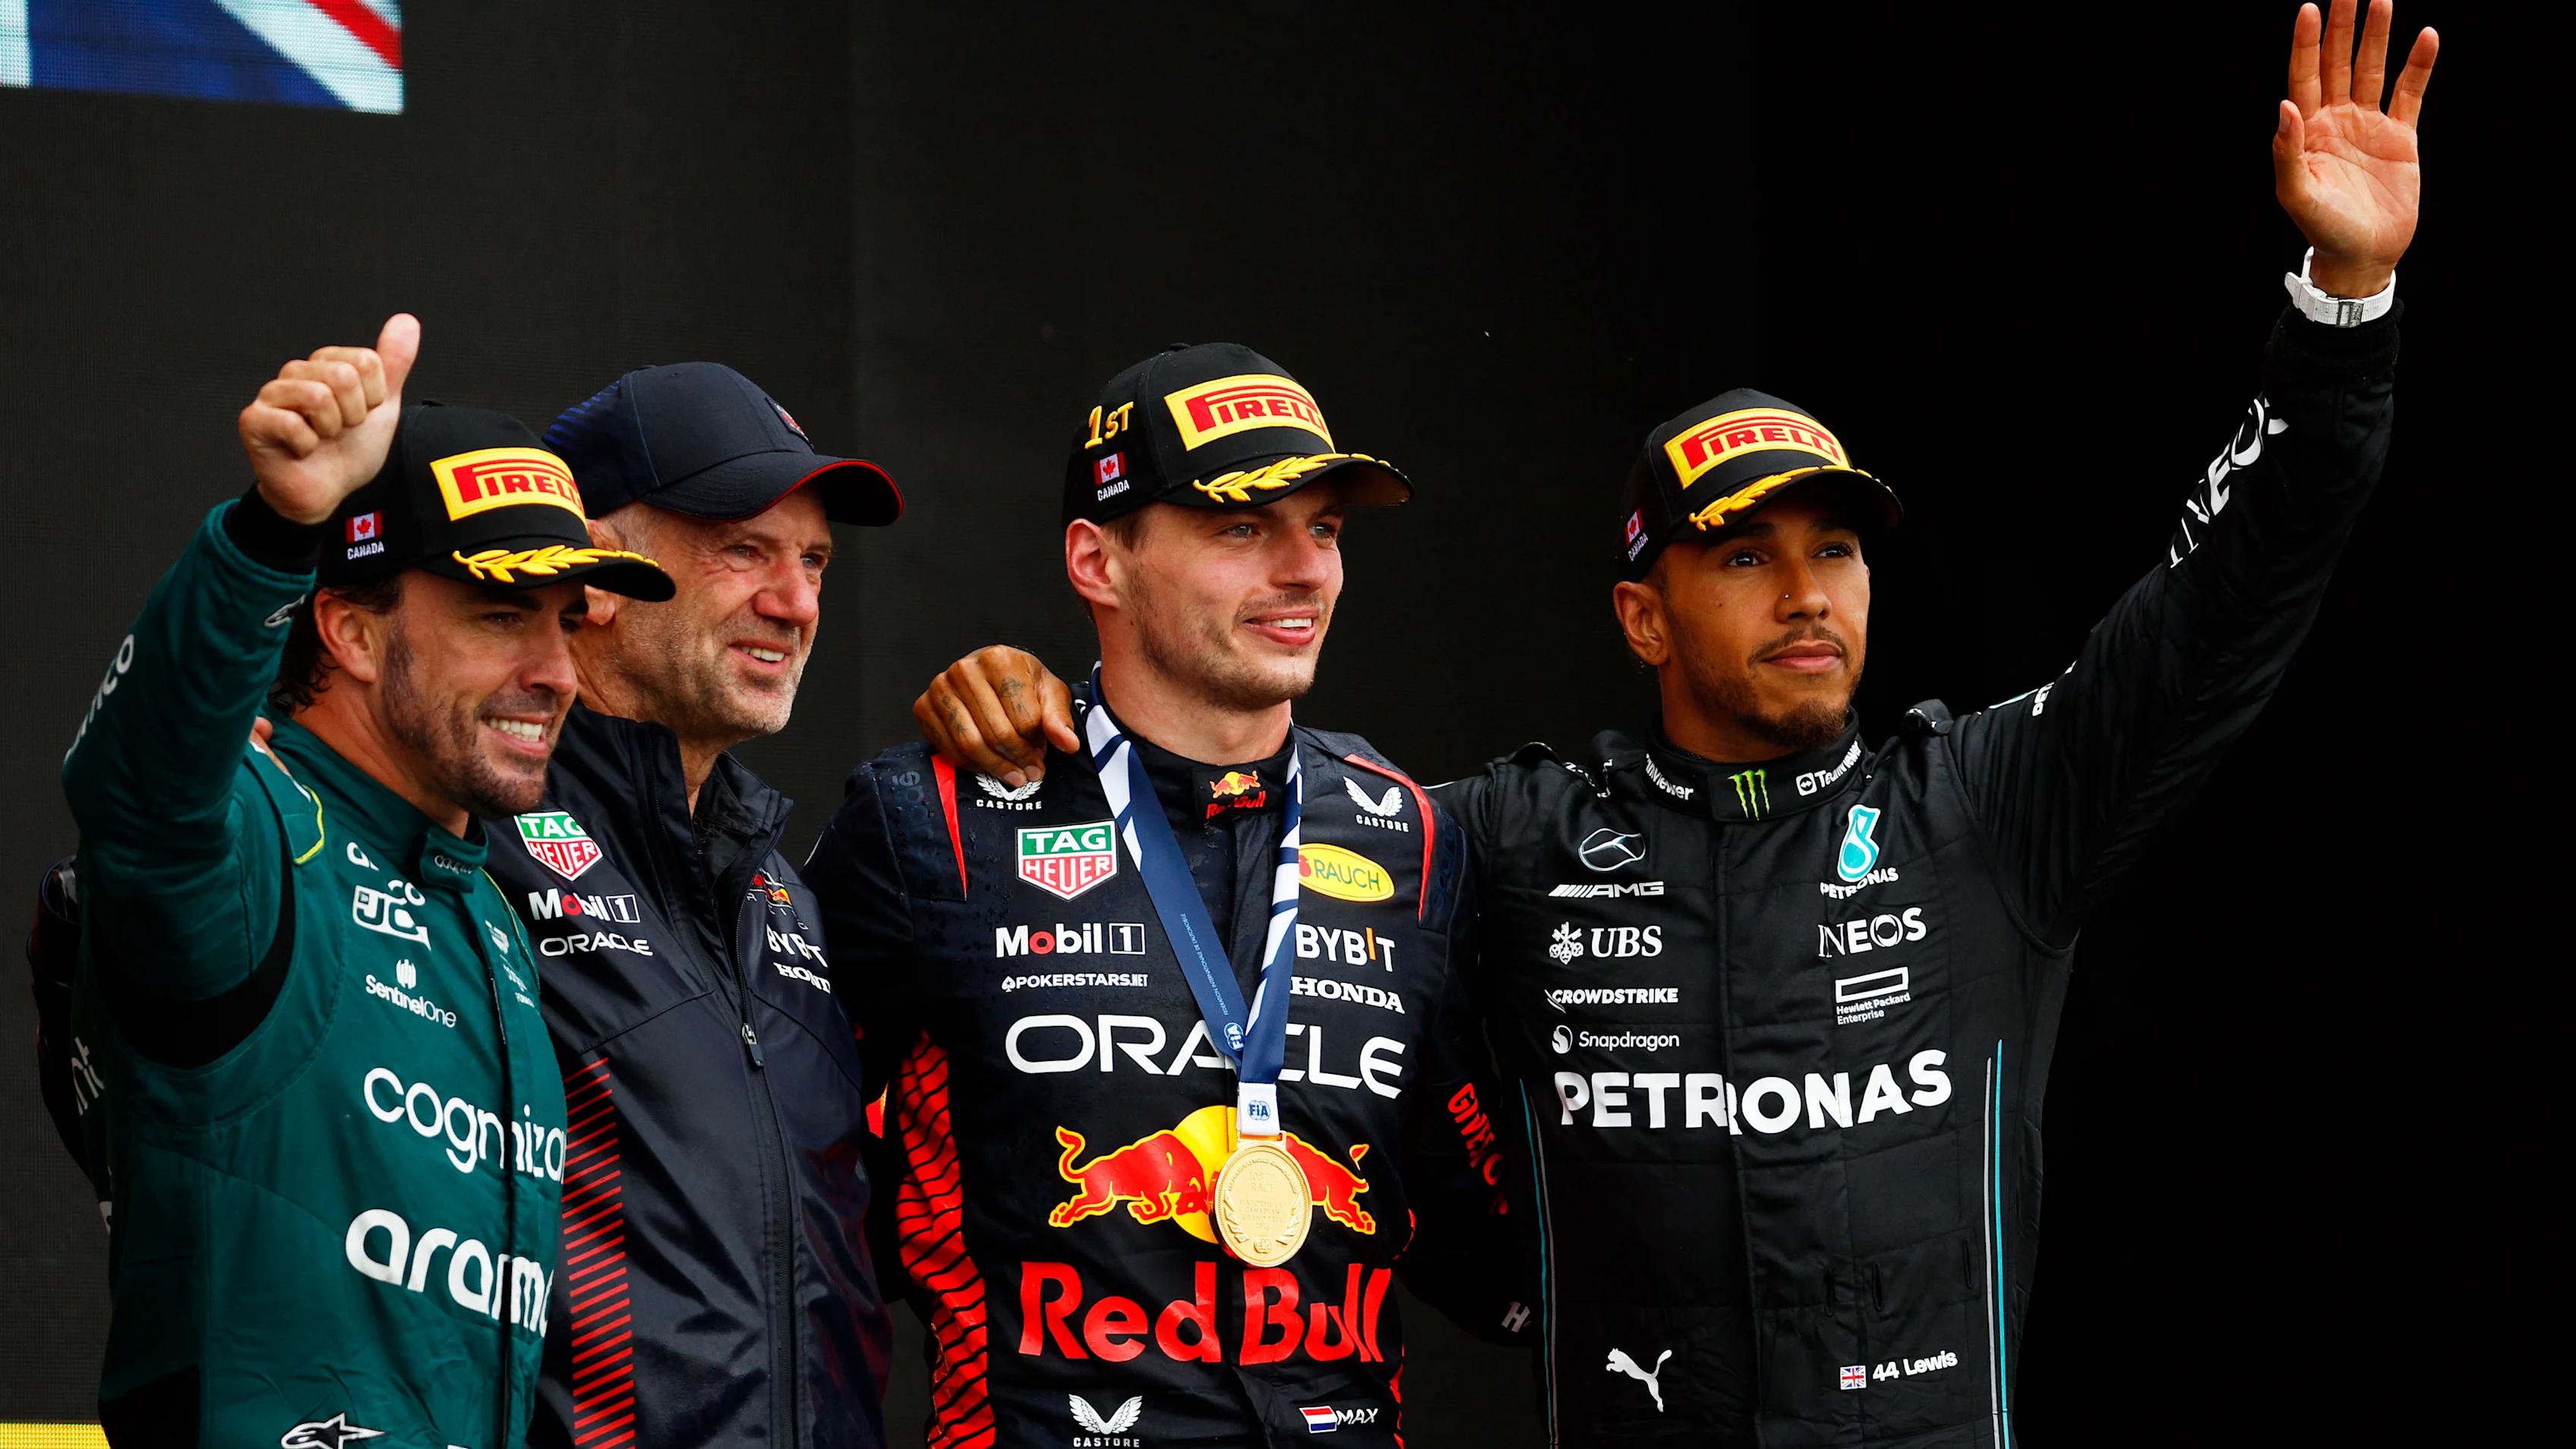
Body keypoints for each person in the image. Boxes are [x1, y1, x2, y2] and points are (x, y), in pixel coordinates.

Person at [905, 3, 2436, 1441]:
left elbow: (2229, 600)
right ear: (1643, 614)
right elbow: (1244, 868)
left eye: (1833, 549)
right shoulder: (1504, 840)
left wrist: (2341, 309)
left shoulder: (1985, 808)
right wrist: (1036, 704)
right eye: (1744, 556)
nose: (1805, 596)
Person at [802, 344, 1513, 1447]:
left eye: (1323, 528)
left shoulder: (1412, 834)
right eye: (1242, 527)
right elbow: (781, 1179)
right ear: (1098, 561)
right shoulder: (932, 821)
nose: (1305, 570)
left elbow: (1482, 1230)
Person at [58, 314, 675, 1447]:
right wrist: (271, 532)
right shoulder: (262, 838)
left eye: (562, 625)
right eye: (499, 617)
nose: (554, 675)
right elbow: (140, 795)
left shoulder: (485, 904)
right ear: (344, 628)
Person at [477, 362, 904, 1449]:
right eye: (745, 550)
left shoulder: (783, 889)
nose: (797, 602)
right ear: (594, 579)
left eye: (813, 561)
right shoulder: (464, 837)